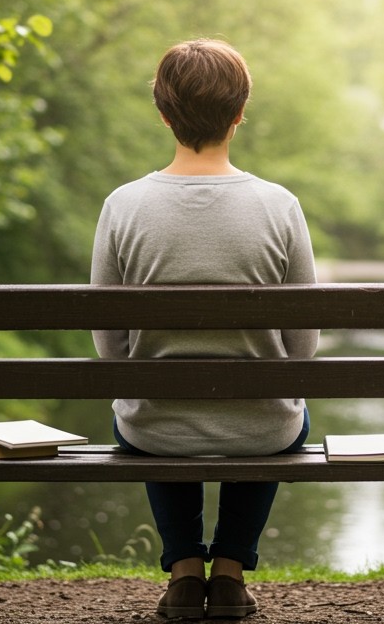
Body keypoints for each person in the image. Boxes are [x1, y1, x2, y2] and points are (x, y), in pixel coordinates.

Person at [91, 38, 318, 619]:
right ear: (239, 114)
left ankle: (186, 574)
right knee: (278, 412)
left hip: (154, 429)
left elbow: (109, 346)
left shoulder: (123, 205)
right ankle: (230, 575)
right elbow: (303, 347)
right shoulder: (280, 206)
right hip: (263, 429)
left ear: (164, 114)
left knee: (149, 409)